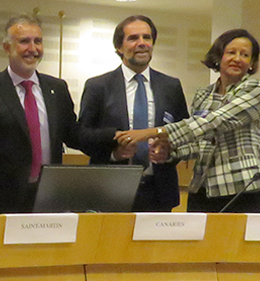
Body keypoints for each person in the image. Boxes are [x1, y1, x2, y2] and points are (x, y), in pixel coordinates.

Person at [0, 14, 114, 213]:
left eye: (38, 41)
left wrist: (114, 139)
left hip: (49, 197)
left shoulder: (57, 88)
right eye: (24, 41)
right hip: (2, 198)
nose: (33, 48)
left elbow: (74, 135)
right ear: (7, 47)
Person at [116, 29, 260, 213]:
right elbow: (199, 143)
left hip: (241, 187)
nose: (237, 58)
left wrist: (154, 132)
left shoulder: (255, 88)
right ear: (218, 56)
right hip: (201, 188)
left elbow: (214, 122)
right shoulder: (203, 94)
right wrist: (168, 152)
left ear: (251, 63)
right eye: (231, 52)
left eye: (245, 55)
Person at [79, 15, 189, 212]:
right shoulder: (98, 86)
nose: (142, 43)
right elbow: (83, 135)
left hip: (158, 192)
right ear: (119, 47)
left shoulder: (170, 86)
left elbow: (185, 132)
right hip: (109, 190)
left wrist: (169, 153)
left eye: (147, 37)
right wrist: (114, 153)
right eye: (133, 38)